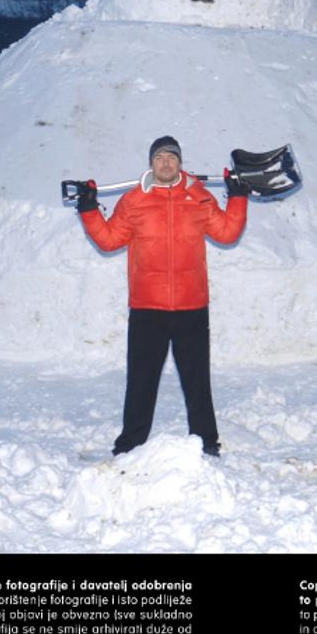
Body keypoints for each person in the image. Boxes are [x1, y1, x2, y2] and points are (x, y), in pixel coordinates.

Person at [76, 136, 249, 457]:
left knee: (197, 381)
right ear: (151, 164)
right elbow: (110, 240)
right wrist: (89, 209)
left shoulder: (198, 198)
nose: (166, 163)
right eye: (160, 158)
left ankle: (207, 443)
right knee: (141, 381)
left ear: (180, 163)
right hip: (147, 308)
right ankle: (129, 445)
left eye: (171, 157)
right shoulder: (133, 202)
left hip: (192, 306)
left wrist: (237, 197)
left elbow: (227, 232)